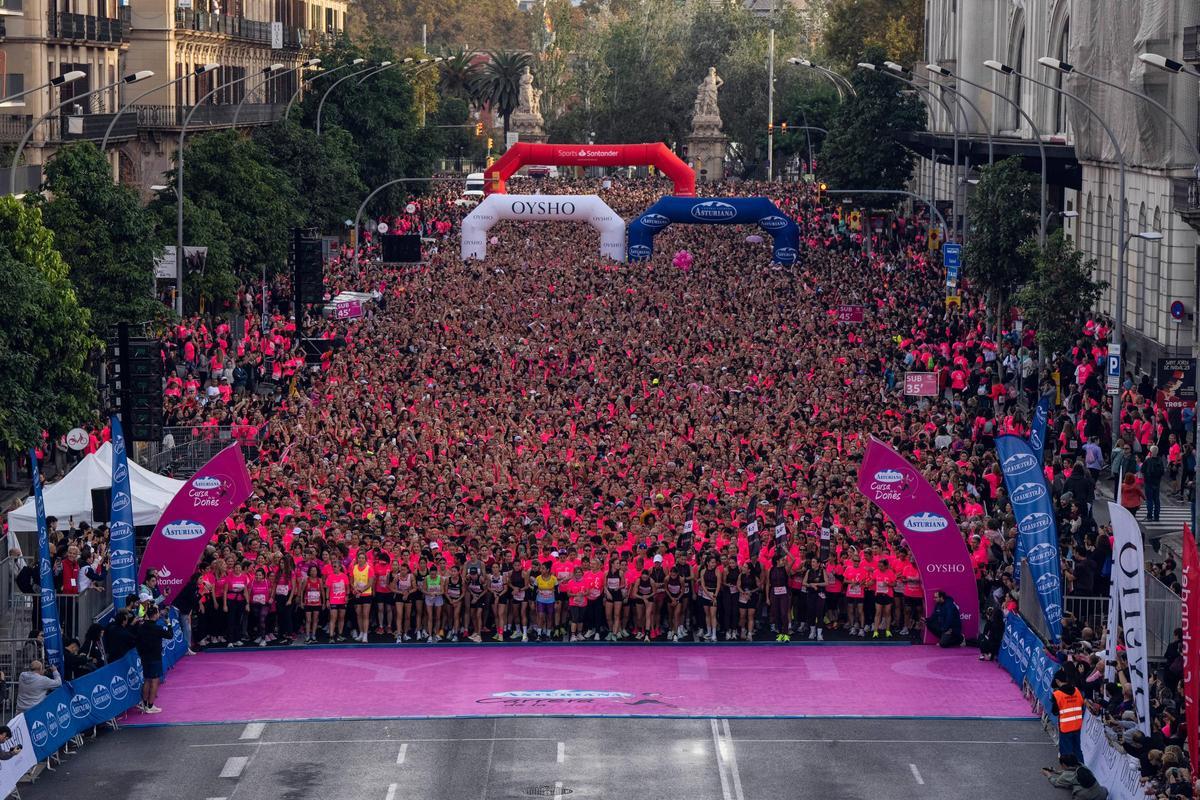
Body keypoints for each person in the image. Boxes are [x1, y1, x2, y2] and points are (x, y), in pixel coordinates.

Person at [135, 604, 175, 714]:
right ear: (156, 615)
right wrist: (168, 623)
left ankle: (144, 704)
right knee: (154, 680)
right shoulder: (157, 628)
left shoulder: (141, 627)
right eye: (157, 613)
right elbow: (170, 635)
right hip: (155, 657)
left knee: (147, 679)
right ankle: (150, 705)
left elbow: (137, 642)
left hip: (144, 657)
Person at [1050, 672, 1086, 765]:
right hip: (1077, 726)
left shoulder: (1057, 694)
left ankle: (1069, 774)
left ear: (1057, 681)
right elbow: (1082, 705)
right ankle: (1081, 769)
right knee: (1077, 750)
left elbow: (1054, 711)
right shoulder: (1077, 691)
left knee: (1066, 752)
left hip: (1065, 727)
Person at [1142, 446, 1164, 522]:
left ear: (1150, 452)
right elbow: (1162, 472)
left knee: (1149, 500)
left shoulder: (1148, 461)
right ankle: (1156, 516)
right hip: (1157, 483)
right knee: (1156, 500)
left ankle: (1149, 516)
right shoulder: (1160, 461)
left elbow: (1142, 470)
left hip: (1148, 482)